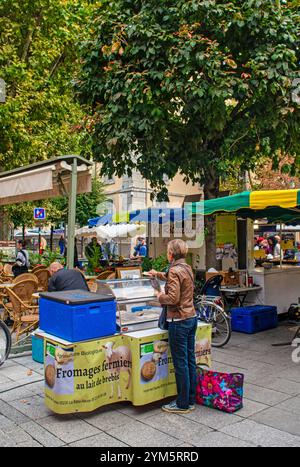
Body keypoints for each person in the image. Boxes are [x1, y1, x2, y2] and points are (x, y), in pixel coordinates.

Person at [149, 239, 197, 414]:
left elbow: (172, 298)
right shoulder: (186, 267)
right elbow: (174, 276)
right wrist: (158, 274)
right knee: (190, 360)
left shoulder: (175, 270)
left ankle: (182, 403)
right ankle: (191, 398)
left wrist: (159, 294)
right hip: (191, 317)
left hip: (179, 320)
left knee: (181, 363)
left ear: (170, 253)